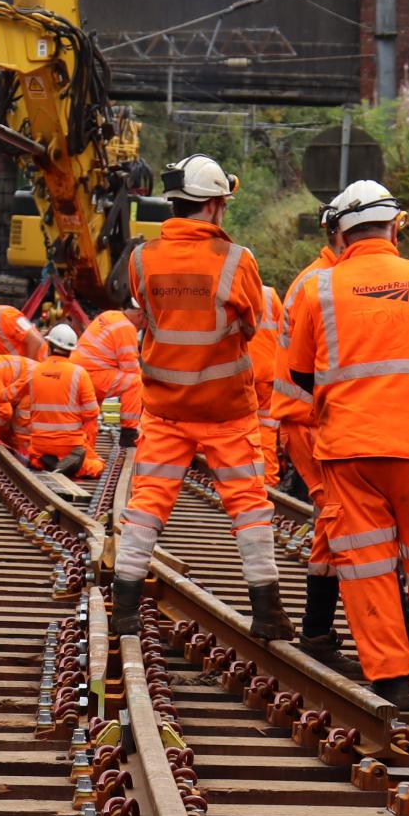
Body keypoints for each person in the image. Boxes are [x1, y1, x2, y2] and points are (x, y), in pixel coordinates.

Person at [285, 180, 409, 713]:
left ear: (340, 235)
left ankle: (392, 681)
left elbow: (302, 371)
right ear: (395, 227)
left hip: (351, 450)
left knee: (366, 569)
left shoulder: (319, 288)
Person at [109, 154, 291, 641]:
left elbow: (144, 314)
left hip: (166, 408)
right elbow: (252, 324)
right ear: (212, 205)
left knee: (147, 503)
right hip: (225, 408)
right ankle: (268, 613)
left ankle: (124, 607)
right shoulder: (236, 259)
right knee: (249, 504)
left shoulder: (142, 258)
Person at [271, 204, 364, 678]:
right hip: (310, 422)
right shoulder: (321, 283)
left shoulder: (328, 279)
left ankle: (319, 631)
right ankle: (317, 633)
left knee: (336, 519)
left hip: (315, 418)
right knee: (336, 517)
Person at [22, 323, 104, 476]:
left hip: (40, 443)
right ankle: (75, 464)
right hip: (69, 445)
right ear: (71, 351)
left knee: (34, 457)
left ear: (49, 345)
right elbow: (92, 414)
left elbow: (17, 400)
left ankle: (43, 461)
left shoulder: (33, 371)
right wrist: (87, 448)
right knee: (98, 464)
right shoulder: (79, 374)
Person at [75, 307, 143, 447]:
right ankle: (128, 433)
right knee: (136, 382)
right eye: (146, 322)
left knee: (89, 414)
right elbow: (131, 369)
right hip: (93, 375)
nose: (144, 327)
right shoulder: (126, 328)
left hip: (79, 373)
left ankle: (83, 446)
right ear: (141, 315)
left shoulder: (109, 315)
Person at [249, 283, 284, 487]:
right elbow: (284, 333)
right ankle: (268, 480)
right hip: (268, 372)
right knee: (267, 427)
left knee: (234, 428)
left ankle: (240, 481)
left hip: (238, 372)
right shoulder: (270, 294)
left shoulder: (225, 289)